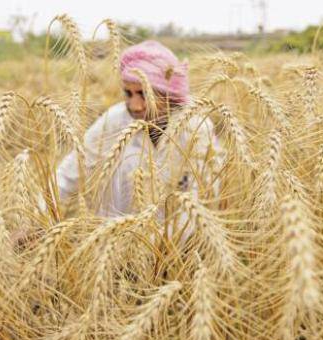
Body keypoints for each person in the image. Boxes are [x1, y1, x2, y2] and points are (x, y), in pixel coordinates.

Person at [15, 40, 221, 246]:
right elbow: (70, 172)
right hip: (113, 243)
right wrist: (37, 218)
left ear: (169, 94)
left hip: (177, 250)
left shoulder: (197, 127)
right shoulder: (114, 121)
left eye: (144, 94)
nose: (135, 105)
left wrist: (159, 247)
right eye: (128, 93)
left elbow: (203, 196)